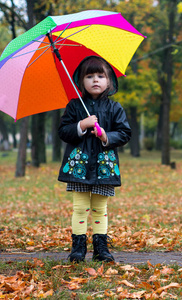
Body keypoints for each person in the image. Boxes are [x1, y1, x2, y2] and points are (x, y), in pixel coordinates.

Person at [58, 56, 131, 263]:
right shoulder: (74, 107)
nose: (95, 80)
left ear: (110, 81)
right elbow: (63, 131)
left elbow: (124, 133)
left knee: (100, 207)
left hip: (103, 167)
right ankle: (78, 248)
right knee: (80, 207)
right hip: (79, 166)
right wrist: (82, 124)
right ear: (81, 82)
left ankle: (101, 248)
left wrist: (106, 136)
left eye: (101, 76)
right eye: (89, 76)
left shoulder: (114, 108)